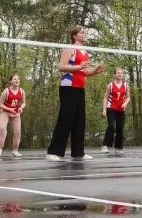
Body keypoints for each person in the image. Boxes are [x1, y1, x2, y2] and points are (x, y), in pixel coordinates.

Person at [47, 26, 105, 161]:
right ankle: (53, 152)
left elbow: (84, 72)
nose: (85, 34)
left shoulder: (85, 52)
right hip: (68, 88)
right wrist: (78, 67)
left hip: (80, 88)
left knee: (80, 121)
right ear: (74, 36)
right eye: (82, 32)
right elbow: (61, 66)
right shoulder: (69, 49)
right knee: (65, 119)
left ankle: (78, 152)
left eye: (86, 33)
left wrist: (95, 71)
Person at [0, 74, 25, 158]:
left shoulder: (22, 91)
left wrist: (21, 108)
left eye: (18, 79)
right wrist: (9, 109)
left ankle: (15, 150)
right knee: (2, 128)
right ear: (10, 81)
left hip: (16, 113)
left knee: (18, 131)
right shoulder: (6, 91)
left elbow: (23, 103)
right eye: (15, 79)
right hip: (5, 112)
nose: (17, 80)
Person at [102, 68, 130, 154]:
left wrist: (125, 103)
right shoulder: (110, 85)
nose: (120, 74)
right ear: (115, 75)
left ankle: (118, 148)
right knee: (111, 126)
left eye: (121, 73)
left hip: (121, 109)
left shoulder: (125, 85)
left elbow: (128, 97)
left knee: (120, 128)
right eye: (118, 73)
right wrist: (104, 110)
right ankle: (105, 146)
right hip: (111, 108)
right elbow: (106, 98)